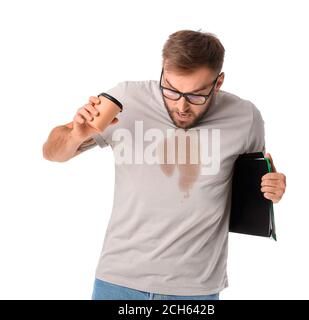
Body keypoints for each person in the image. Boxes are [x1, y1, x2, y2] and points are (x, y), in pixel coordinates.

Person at [42, 29, 286, 300]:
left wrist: (272, 186)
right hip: (118, 282)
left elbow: (254, 188)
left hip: (195, 290)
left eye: (196, 95)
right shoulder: (126, 100)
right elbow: (53, 153)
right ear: (162, 72)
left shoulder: (245, 117)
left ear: (218, 83)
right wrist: (76, 133)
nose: (181, 106)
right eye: (170, 90)